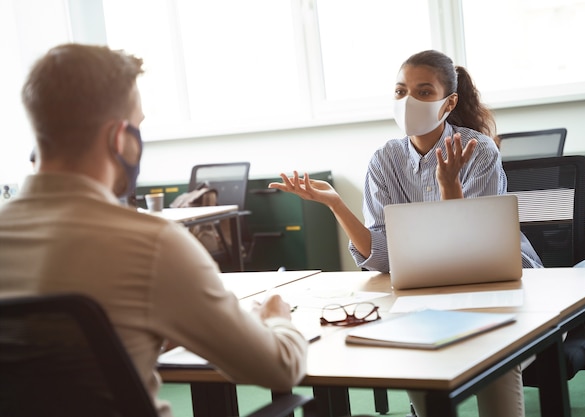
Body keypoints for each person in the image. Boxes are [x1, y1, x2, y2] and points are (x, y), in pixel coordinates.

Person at [0, 43, 307, 417]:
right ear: (119, 137)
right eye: (140, 125)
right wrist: (278, 318)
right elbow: (278, 368)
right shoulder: (153, 244)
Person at [269, 50, 543, 417]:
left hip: (499, 289)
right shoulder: (384, 160)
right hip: (429, 293)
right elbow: (384, 259)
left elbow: (474, 252)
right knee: (414, 353)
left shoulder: (478, 150)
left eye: (424, 92)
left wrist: (449, 186)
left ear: (449, 103)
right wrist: (336, 204)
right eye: (400, 92)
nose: (408, 101)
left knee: (497, 358)